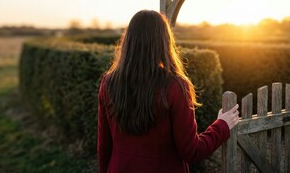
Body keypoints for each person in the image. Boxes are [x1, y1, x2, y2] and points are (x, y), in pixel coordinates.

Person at [97, 10, 239, 173]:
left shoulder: (108, 83)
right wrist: (222, 125)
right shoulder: (175, 86)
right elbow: (192, 151)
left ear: (128, 41)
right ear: (164, 42)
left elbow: (104, 147)